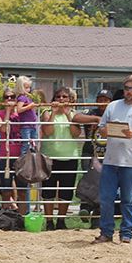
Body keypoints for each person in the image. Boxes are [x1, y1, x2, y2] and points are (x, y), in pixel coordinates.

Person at [93, 75, 132, 244]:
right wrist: (105, 131)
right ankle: (106, 232)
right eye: (127, 88)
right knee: (106, 199)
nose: (129, 91)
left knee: (128, 199)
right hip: (111, 160)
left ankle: (126, 232)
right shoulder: (113, 106)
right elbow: (101, 127)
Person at [39, 87, 81, 230]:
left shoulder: (74, 114)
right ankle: (49, 221)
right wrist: (54, 113)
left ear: (70, 100)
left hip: (70, 156)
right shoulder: (47, 113)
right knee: (48, 190)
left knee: (66, 190)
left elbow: (76, 133)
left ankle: (61, 220)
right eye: (58, 97)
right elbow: (48, 131)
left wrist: (68, 115)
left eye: (64, 97)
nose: (61, 99)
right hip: (50, 156)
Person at [72, 89, 113, 227]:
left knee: (103, 184)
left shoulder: (113, 113)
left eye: (105, 100)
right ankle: (85, 207)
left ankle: (97, 216)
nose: (102, 102)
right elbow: (76, 118)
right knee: (88, 179)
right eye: (100, 99)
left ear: (110, 102)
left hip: (108, 153)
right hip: (90, 152)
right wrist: (95, 119)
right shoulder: (92, 112)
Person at [0, 89, 26, 213]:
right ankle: (7, 218)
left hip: (20, 157)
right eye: (7, 97)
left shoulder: (22, 114)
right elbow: (3, 130)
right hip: (5, 156)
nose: (9, 100)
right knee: (6, 191)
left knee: (22, 191)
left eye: (12, 97)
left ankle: (22, 219)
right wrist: (7, 112)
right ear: (3, 100)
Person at [15, 76, 39, 156]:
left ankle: (32, 157)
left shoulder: (27, 97)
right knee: (26, 144)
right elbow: (19, 109)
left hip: (31, 124)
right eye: (26, 87)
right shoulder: (22, 98)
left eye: (29, 87)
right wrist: (29, 107)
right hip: (26, 125)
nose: (28, 90)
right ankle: (24, 159)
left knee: (33, 143)